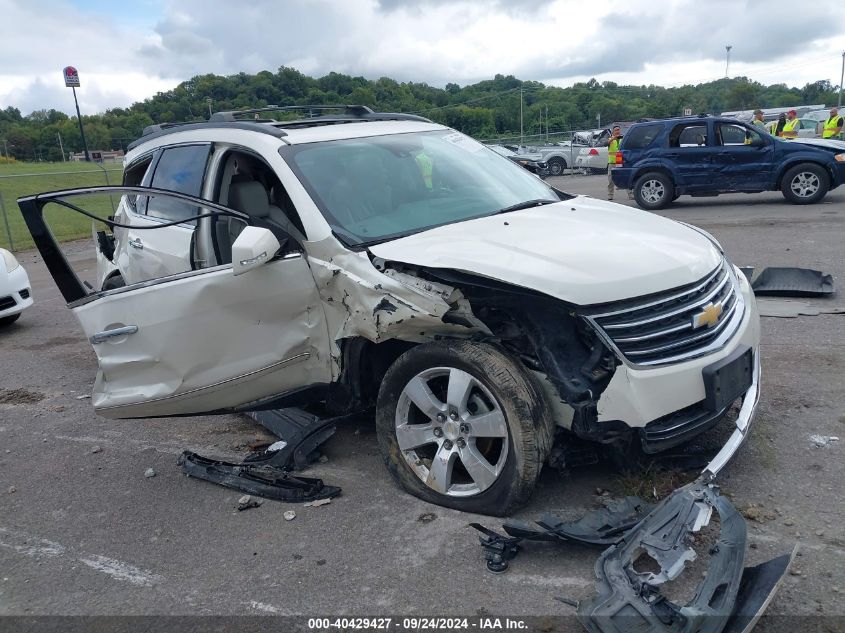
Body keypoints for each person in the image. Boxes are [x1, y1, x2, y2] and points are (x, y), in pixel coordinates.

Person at [605, 125, 622, 200]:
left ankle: (631, 194)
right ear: (613, 132)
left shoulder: (622, 139)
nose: (617, 131)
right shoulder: (610, 139)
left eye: (618, 129)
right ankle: (610, 195)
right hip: (612, 162)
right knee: (610, 179)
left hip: (620, 161)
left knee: (625, 177)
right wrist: (613, 138)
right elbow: (606, 143)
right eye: (616, 130)